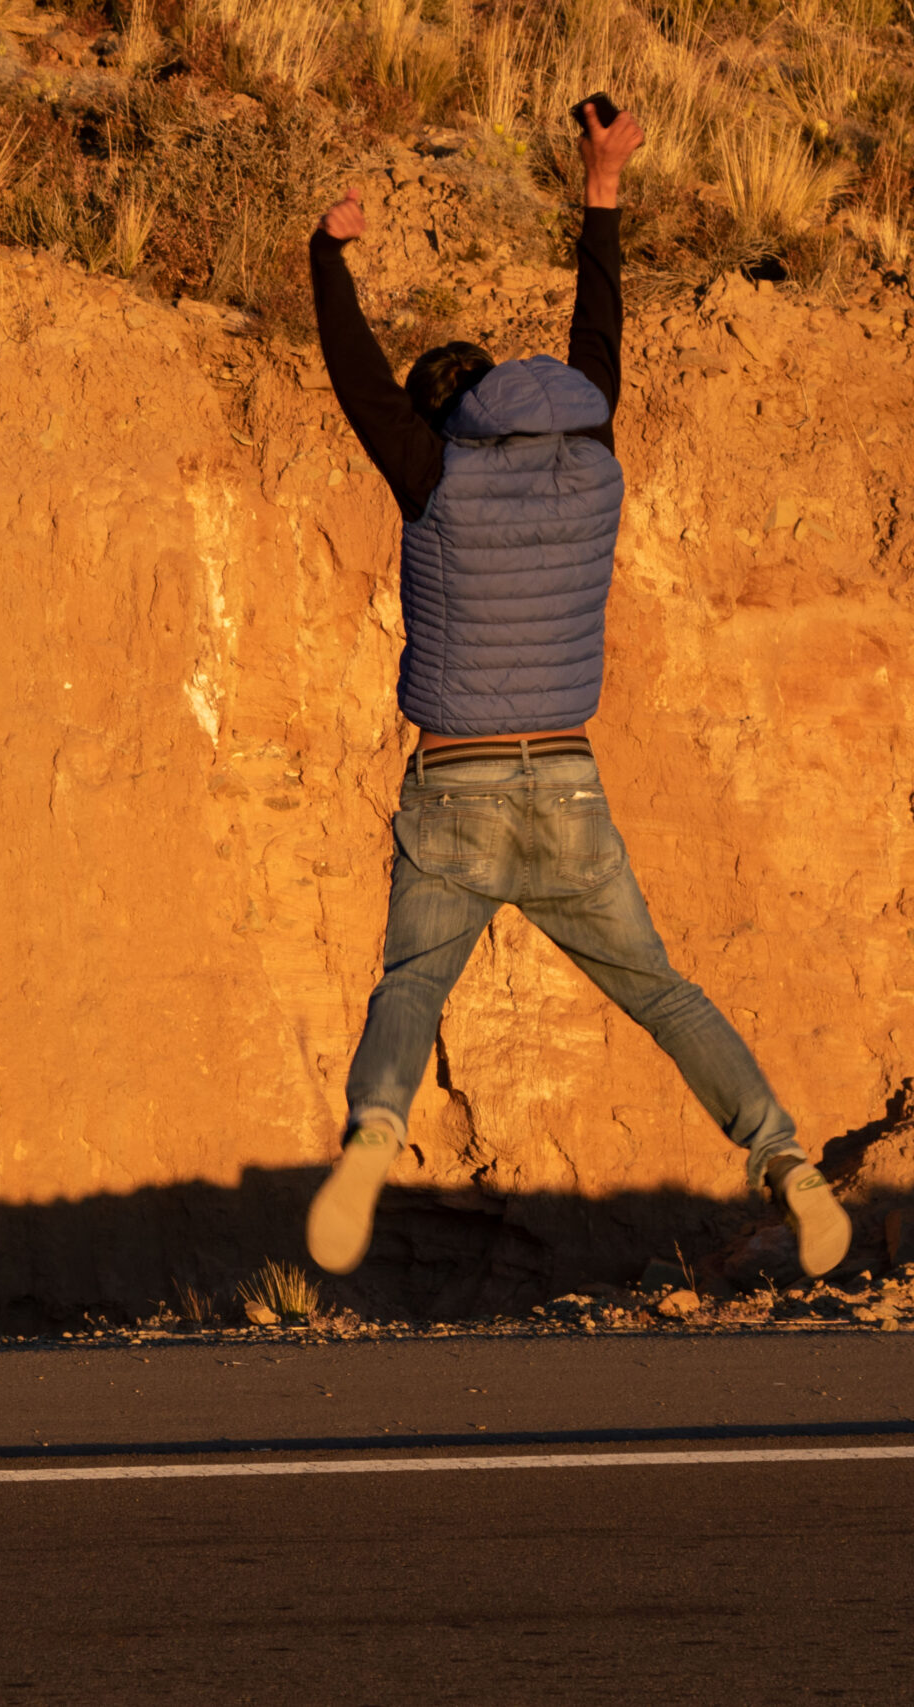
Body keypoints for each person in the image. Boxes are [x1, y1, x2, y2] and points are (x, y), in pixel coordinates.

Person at [302, 104, 851, 1282]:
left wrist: (327, 258)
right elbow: (598, 337)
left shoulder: (428, 473)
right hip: (565, 784)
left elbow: (357, 383)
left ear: (440, 419)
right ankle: (785, 1159)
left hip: (454, 786)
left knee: (412, 985)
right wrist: (602, 187)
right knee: (662, 993)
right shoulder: (593, 459)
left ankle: (376, 1129)